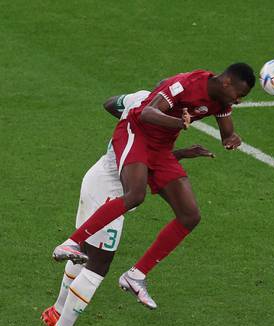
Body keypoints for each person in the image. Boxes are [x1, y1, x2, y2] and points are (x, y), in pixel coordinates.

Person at [42, 90, 217, 326]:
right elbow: (143, 161)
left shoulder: (142, 98)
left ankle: (57, 311)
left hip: (97, 177)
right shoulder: (164, 116)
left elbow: (110, 103)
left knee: (86, 255)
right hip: (110, 194)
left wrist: (178, 151)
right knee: (98, 266)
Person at [52, 62, 254, 301]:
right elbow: (148, 113)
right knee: (135, 194)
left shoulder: (222, 101)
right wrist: (180, 123)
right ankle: (71, 243)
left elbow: (227, 133)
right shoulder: (186, 84)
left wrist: (231, 139)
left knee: (190, 215)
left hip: (161, 147)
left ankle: (135, 275)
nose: (239, 100)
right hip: (137, 132)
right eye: (239, 94)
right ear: (227, 82)